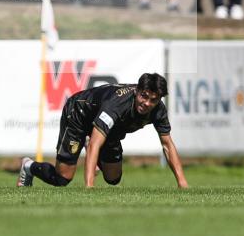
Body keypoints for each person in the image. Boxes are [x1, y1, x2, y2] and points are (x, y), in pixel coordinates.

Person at [16, 73, 188, 189]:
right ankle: (29, 166)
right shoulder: (116, 104)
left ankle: (92, 150)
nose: (147, 103)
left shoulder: (158, 110)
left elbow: (167, 145)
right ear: (136, 91)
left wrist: (182, 184)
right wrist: (89, 187)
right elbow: (95, 145)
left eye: (153, 99)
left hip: (109, 130)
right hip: (78, 114)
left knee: (113, 179)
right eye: (144, 96)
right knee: (62, 179)